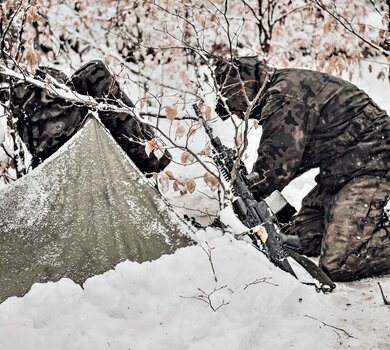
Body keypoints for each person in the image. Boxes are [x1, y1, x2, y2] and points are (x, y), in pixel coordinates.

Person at [214, 56, 390, 282]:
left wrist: (245, 192)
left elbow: (275, 169)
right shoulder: (283, 87)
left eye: (234, 107)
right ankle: (366, 221)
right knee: (299, 238)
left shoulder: (284, 96)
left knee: (340, 261)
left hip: (373, 163)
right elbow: (294, 159)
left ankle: (365, 225)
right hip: (342, 171)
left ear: (242, 90)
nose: (238, 115)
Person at [8, 60, 170, 174]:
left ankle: (153, 159)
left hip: (51, 163)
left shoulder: (18, 97)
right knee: (96, 72)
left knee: (95, 73)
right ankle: (154, 160)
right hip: (75, 156)